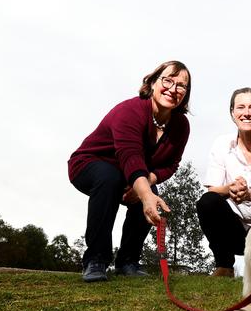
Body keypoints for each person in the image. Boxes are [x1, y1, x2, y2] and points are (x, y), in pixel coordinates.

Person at [68, 60, 191, 283]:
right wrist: (144, 193)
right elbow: (130, 156)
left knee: (149, 188)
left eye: (181, 86)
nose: (173, 89)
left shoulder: (181, 125)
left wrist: (146, 185)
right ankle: (96, 259)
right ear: (153, 83)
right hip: (90, 163)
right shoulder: (130, 110)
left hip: (132, 173)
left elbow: (171, 165)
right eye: (167, 80)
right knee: (112, 178)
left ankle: (128, 261)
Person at [197, 87, 251, 277]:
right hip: (234, 229)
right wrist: (230, 188)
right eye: (240, 107)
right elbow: (213, 190)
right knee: (207, 201)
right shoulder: (222, 144)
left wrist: (250, 195)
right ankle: (224, 265)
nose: (246, 113)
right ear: (232, 113)